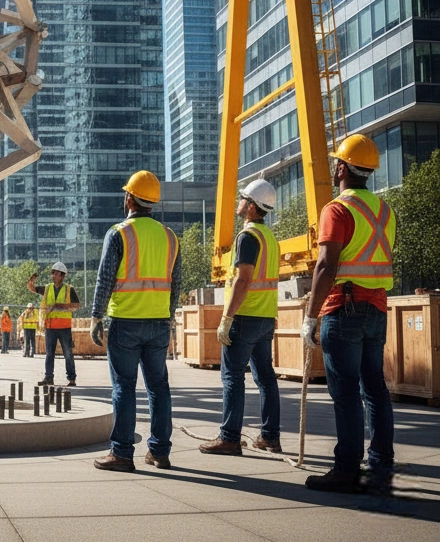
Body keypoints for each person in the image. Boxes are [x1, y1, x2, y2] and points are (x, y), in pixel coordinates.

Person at [301, 134, 396, 495]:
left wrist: (312, 315)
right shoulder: (385, 210)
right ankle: (382, 465)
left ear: (341, 167)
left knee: (345, 393)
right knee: (375, 389)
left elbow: (327, 265)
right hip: (376, 308)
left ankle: (346, 470)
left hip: (345, 308)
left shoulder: (336, 209)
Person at [90, 170, 180, 473]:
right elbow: (176, 283)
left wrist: (95, 317)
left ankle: (122, 453)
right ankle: (160, 451)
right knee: (159, 388)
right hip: (158, 324)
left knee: (124, 387)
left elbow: (105, 279)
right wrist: (168, 318)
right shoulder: (169, 237)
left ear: (129, 198)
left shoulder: (119, 233)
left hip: (125, 322)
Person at [199, 179, 281, 456]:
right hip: (265, 317)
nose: (238, 202)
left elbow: (243, 280)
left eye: (242, 198)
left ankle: (230, 437)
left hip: (245, 317)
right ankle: (270, 437)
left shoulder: (247, 237)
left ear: (251, 207)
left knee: (232, 376)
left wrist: (227, 318)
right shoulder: (269, 237)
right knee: (266, 379)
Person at [28, 261, 80, 387]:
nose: (53, 276)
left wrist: (61, 306)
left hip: (64, 327)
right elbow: (32, 288)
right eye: (52, 273)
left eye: (55, 273)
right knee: (49, 353)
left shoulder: (69, 289)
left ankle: (71, 379)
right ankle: (48, 377)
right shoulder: (47, 288)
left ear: (62, 275)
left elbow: (76, 305)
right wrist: (31, 281)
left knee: (68, 353)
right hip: (50, 326)